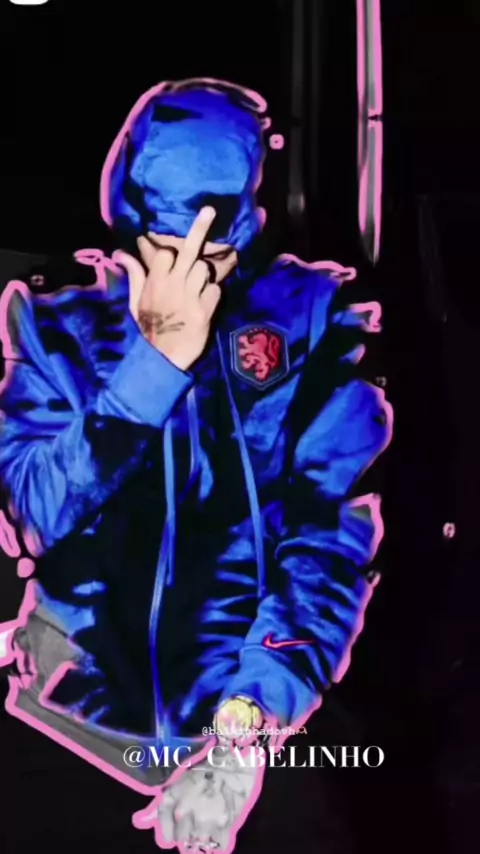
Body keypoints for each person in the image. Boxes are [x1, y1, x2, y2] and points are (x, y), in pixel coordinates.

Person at [0, 78, 392, 852]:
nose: (188, 272)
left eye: (211, 247)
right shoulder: (55, 321)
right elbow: (35, 515)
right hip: (65, 724)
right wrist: (152, 368)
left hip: (248, 725)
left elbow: (328, 543)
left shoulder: (317, 318)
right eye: (165, 245)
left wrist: (245, 730)